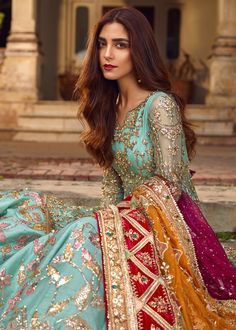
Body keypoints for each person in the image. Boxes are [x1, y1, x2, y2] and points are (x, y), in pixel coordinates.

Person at [0, 7, 235, 329]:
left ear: (140, 50)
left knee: (79, 235)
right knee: (25, 207)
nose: (108, 54)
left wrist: (111, 222)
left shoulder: (160, 104)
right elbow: (113, 178)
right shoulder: (109, 107)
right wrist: (106, 218)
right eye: (102, 43)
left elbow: (170, 182)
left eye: (121, 45)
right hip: (123, 216)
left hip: (167, 222)